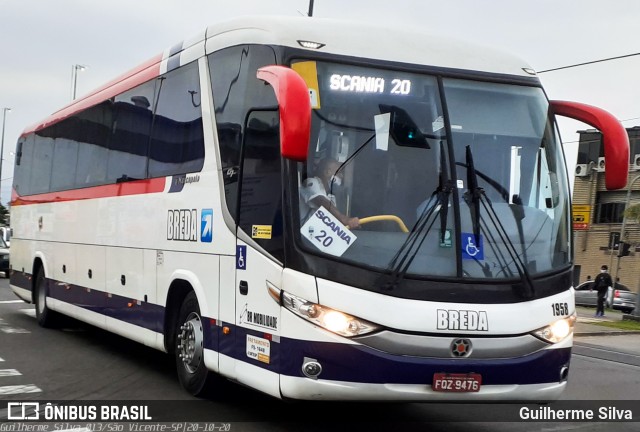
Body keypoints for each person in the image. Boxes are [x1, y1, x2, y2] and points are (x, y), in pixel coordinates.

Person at [300, 157, 360, 229]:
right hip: (306, 234)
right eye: (339, 172)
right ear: (327, 172)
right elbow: (321, 201)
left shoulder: (330, 193)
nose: (341, 176)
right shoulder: (311, 183)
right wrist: (344, 219)